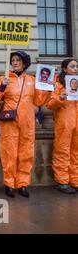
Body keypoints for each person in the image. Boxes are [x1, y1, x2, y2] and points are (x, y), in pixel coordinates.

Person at [0, 51, 51, 198]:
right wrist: (2, 87)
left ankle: (22, 184)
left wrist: (48, 89)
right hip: (9, 121)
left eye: (18, 60)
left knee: (26, 153)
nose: (15, 62)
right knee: (9, 153)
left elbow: (39, 101)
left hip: (27, 122)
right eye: (13, 60)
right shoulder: (3, 79)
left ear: (24, 63)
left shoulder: (32, 80)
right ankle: (9, 184)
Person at [46, 59, 78, 194]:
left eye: (77, 66)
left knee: (76, 152)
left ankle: (75, 181)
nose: (76, 68)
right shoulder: (58, 84)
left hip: (76, 121)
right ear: (64, 69)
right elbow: (50, 104)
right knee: (62, 150)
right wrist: (61, 97)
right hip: (64, 121)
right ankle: (62, 181)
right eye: (72, 66)